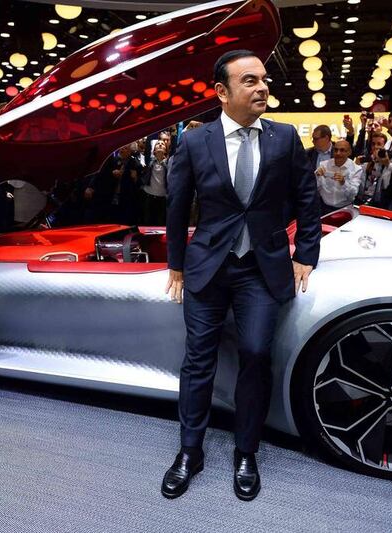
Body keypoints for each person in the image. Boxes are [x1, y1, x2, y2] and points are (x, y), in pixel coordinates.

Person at [162, 49, 321, 501]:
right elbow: (176, 207)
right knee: (198, 359)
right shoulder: (195, 142)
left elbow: (307, 200)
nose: (262, 87)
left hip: (261, 268)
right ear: (222, 91)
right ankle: (189, 451)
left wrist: (306, 252)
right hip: (208, 267)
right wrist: (176, 263)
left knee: (255, 354)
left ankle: (246, 451)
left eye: (264, 79)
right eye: (249, 81)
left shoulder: (284, 137)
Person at [315, 139, 361, 214]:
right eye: (335, 150)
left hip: (345, 210)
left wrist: (344, 183)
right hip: (323, 208)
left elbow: (353, 194)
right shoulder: (324, 165)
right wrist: (316, 176)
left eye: (342, 150)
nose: (338, 153)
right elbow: (316, 187)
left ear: (349, 152)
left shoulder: (356, 169)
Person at [355, 131, 392, 205]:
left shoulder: (388, 164)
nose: (375, 147)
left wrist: (386, 164)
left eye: (379, 144)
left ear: (384, 146)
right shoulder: (366, 161)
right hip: (361, 201)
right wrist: (356, 166)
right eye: (373, 144)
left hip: (379, 203)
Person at [140, 140, 168, 225]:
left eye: (162, 144)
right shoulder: (150, 160)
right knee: (147, 222)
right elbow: (148, 148)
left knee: (160, 225)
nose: (160, 145)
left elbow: (174, 149)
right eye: (158, 144)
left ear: (166, 151)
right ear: (154, 150)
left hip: (162, 198)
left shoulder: (170, 162)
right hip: (148, 196)